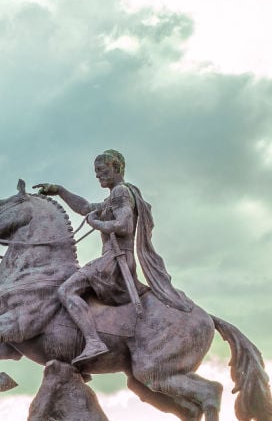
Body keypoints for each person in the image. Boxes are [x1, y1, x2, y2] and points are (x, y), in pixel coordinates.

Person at [36, 149, 191, 366]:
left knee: (66, 290)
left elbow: (124, 226)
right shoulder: (114, 197)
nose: (98, 175)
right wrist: (60, 191)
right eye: (96, 172)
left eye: (101, 170)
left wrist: (96, 224)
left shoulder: (120, 192)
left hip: (113, 262)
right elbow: (86, 208)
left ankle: (93, 342)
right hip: (116, 261)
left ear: (116, 167)